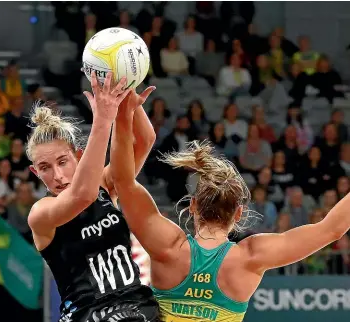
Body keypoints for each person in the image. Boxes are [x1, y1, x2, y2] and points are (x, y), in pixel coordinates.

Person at [111, 98, 350, 321]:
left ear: (193, 206)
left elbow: (122, 181)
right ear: (238, 213)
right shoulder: (250, 257)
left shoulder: (168, 246)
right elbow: (333, 229)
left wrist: (124, 110)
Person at [27, 72, 160, 322]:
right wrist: (103, 118)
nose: (57, 175)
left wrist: (125, 93)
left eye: (63, 161)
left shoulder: (105, 185)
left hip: (138, 307)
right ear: (35, 172)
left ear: (78, 156)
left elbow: (144, 141)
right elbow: (82, 196)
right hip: (87, 315)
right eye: (45, 168)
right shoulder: (41, 214)